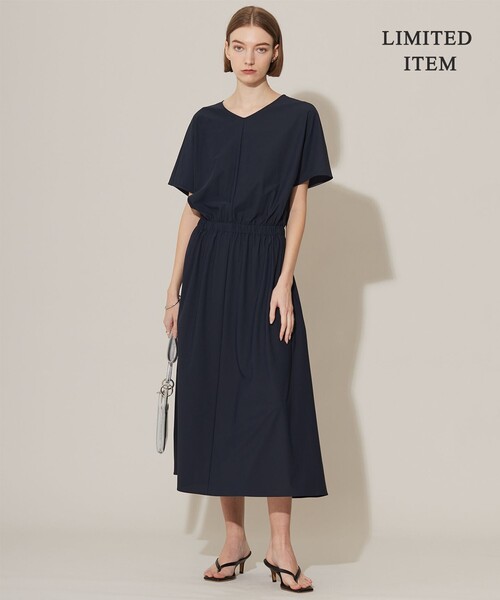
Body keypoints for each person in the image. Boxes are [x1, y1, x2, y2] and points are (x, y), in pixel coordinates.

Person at [164, 5, 333, 593]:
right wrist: (173, 289)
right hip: (208, 267)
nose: (249, 57)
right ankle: (234, 538)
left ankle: (282, 546)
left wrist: (284, 281)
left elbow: (299, 205)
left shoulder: (299, 118)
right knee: (216, 400)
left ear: (276, 53)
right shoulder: (205, 122)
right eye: (239, 46)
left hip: (264, 264)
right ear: (226, 50)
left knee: (270, 401)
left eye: (261, 47)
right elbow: (192, 210)